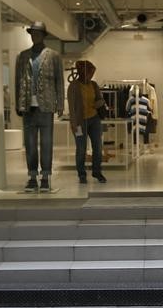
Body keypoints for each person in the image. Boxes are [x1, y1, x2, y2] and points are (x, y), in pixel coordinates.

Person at [15, 21, 64, 192]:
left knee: (46, 142)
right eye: (32, 33)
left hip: (46, 105)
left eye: (37, 33)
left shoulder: (53, 56)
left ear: (43, 35)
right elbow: (18, 81)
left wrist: (60, 104)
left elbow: (59, 81)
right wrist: (18, 103)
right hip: (28, 106)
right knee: (29, 143)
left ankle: (45, 176)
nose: (34, 36)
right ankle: (32, 176)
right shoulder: (22, 56)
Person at [67, 60, 107, 184]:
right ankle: (81, 174)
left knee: (98, 147)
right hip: (79, 122)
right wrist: (73, 124)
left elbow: (101, 100)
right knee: (81, 148)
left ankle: (97, 171)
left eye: (92, 73)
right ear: (82, 72)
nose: (91, 76)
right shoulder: (73, 86)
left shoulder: (94, 85)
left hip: (94, 119)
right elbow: (72, 106)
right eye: (89, 73)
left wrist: (98, 103)